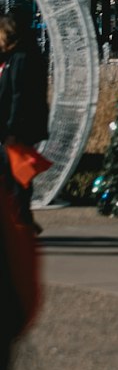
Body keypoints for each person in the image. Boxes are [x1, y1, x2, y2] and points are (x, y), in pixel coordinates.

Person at [0, 12, 49, 230]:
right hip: (19, 127)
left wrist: (12, 129)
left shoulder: (21, 58)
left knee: (16, 174)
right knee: (17, 174)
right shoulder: (17, 56)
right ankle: (22, 218)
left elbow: (19, 96)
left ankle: (22, 219)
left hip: (18, 128)